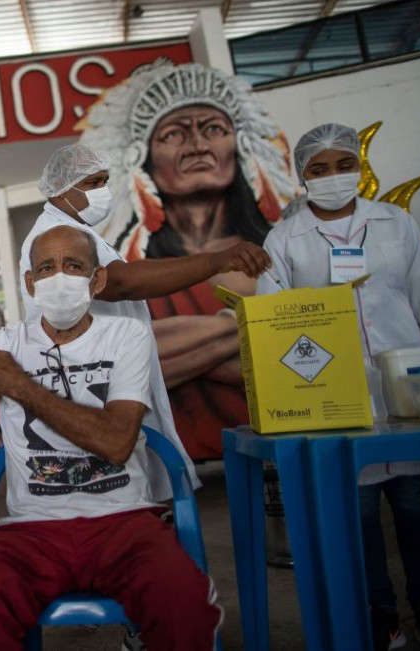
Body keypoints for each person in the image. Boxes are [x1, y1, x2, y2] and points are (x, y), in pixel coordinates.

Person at [0, 224, 223, 649]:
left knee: (183, 602)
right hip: (32, 529)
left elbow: (116, 442)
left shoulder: (126, 337)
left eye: (73, 265)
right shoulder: (7, 345)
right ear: (31, 283)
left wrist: (18, 384)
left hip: (123, 521)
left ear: (97, 279)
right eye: (46, 268)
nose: (60, 277)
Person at [257, 123, 420, 650]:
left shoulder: (395, 224)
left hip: (407, 393)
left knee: (419, 513)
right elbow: (273, 322)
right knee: (357, 524)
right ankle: (383, 623)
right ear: (302, 176)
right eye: (319, 169)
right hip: (334, 398)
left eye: (342, 166)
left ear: (358, 166)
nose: (333, 177)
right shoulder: (284, 239)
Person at [21, 143, 273, 497]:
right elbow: (121, 282)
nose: (103, 192)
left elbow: (125, 277)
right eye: (94, 182)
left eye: (105, 181)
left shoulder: (82, 234)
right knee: (119, 497)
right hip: (89, 388)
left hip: (114, 377)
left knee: (144, 495)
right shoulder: (51, 238)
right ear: (63, 189)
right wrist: (215, 261)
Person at [80, 61, 298, 459]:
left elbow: (296, 351)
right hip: (172, 458)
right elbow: (121, 364)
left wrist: (182, 350)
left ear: (240, 145)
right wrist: (251, 326)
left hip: (279, 441)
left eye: (213, 129)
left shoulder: (274, 248)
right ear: (142, 157)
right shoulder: (127, 267)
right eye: (175, 134)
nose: (198, 146)